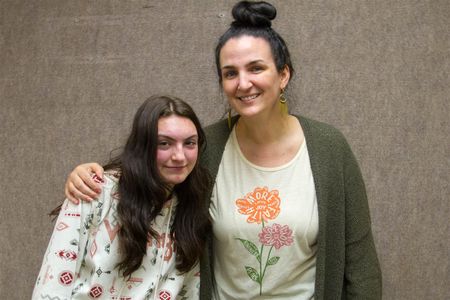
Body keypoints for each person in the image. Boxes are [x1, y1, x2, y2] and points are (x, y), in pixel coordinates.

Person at [63, 1, 382, 299]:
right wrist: (90, 175)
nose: (243, 83)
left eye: (256, 68)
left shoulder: (330, 148)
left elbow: (360, 261)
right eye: (231, 73)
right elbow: (146, 176)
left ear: (284, 75)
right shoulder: (206, 147)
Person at [33, 95, 211, 299]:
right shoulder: (94, 191)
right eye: (164, 143)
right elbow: (51, 287)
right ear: (143, 145)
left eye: (189, 143)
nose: (179, 156)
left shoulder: (190, 208)